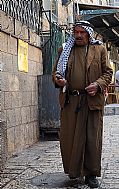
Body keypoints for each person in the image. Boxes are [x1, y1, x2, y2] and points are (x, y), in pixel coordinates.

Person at [52, 20, 113, 188]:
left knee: (92, 138)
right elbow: (55, 72)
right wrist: (59, 79)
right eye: (76, 32)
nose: (78, 35)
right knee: (71, 138)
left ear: (88, 33)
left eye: (82, 32)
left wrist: (98, 85)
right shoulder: (65, 49)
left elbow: (108, 73)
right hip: (71, 102)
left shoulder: (99, 49)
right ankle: (75, 172)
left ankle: (91, 174)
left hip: (92, 101)